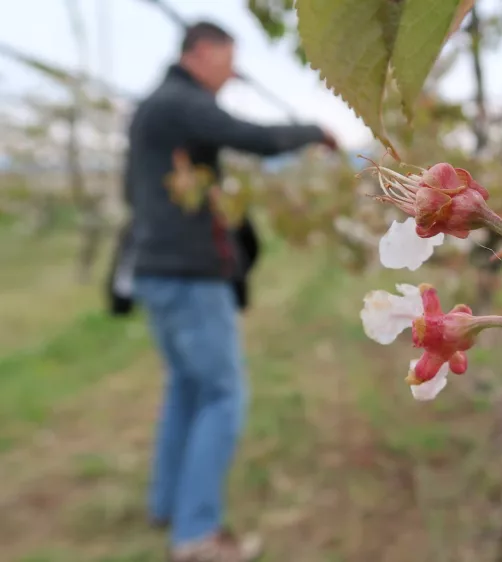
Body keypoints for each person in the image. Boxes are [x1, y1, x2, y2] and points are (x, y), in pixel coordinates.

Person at [120, 21, 338, 562]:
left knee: (189, 390)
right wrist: (314, 131)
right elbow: (253, 138)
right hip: (190, 274)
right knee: (222, 395)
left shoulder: (155, 109)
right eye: (228, 59)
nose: (232, 73)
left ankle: (167, 505)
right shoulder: (180, 101)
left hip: (157, 269)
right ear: (201, 52)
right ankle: (196, 537)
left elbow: (132, 189)